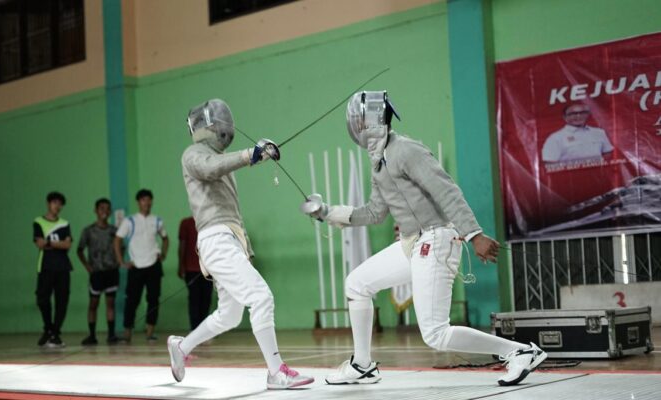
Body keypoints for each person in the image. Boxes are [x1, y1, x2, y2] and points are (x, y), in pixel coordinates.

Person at [302, 91, 547, 386]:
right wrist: (328, 212)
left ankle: (520, 352)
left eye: (361, 121)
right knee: (356, 283)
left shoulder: (406, 150)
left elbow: (447, 191)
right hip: (412, 243)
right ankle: (362, 365)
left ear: (371, 121)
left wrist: (474, 234)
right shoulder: (379, 162)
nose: (358, 127)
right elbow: (375, 212)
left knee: (435, 334)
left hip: (437, 239)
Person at [167, 99, 313, 390]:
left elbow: (233, 213)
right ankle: (276, 372)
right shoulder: (193, 154)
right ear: (205, 125)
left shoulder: (222, 160)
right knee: (261, 297)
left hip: (230, 240)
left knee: (229, 315)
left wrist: (246, 251)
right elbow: (210, 168)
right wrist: (250, 155)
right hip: (215, 239)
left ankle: (181, 347)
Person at [114, 189, 169, 342]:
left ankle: (150, 333)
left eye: (149, 199)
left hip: (154, 265)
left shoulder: (157, 220)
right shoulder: (129, 221)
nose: (147, 202)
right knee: (132, 300)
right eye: (144, 199)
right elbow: (117, 240)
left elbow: (165, 238)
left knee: (153, 299)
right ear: (138, 202)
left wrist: (163, 254)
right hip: (136, 266)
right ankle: (127, 334)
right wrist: (121, 261)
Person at [77, 198, 120, 345]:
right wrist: (87, 266)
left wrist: (118, 261)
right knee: (93, 304)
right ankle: (92, 335)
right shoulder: (88, 231)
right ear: (95, 210)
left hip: (111, 272)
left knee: (110, 303)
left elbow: (121, 247)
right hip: (96, 273)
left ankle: (111, 335)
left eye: (107, 208)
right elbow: (79, 250)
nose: (105, 211)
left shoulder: (114, 231)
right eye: (101, 208)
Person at [33, 191, 73, 348]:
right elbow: (39, 243)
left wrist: (49, 242)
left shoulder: (65, 223)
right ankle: (48, 329)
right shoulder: (38, 222)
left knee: (62, 301)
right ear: (48, 203)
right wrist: (57, 244)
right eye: (55, 202)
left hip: (63, 267)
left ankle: (55, 333)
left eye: (60, 204)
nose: (58, 206)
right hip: (45, 266)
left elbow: (67, 245)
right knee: (42, 300)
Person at [541, 103, 613, 165]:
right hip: (570, 176)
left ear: (587, 115)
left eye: (582, 113)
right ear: (565, 117)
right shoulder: (555, 138)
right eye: (573, 114)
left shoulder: (599, 132)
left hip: (599, 174)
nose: (578, 116)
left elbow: (607, 153)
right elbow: (549, 163)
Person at [178, 216, 212, 330]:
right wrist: (181, 265)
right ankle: (195, 329)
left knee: (206, 300)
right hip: (191, 269)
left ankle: (204, 329)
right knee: (194, 300)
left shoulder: (211, 222)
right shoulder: (186, 223)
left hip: (209, 270)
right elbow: (182, 245)